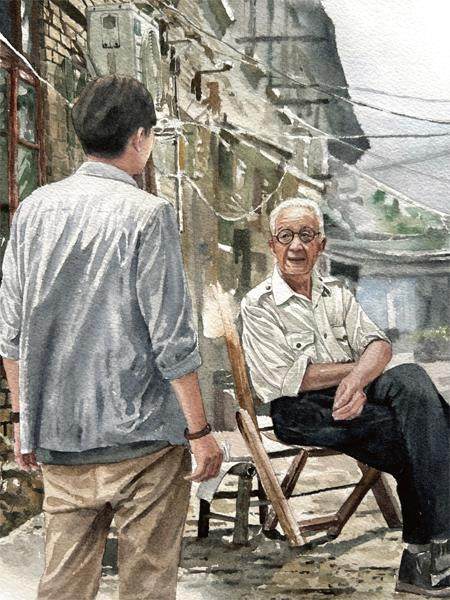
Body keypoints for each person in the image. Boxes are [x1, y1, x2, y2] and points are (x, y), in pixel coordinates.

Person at [0, 75, 223, 600]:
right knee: (146, 585)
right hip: (145, 440)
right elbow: (171, 338)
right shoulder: (149, 213)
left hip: (60, 437)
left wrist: (25, 420)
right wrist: (199, 432)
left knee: (63, 585)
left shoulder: (34, 210)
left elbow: (10, 331)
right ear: (140, 138)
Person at [241, 196, 450, 597]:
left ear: (320, 244)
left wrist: (355, 380)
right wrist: (355, 372)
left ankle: (428, 553)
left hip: (353, 393)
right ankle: (430, 553)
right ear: (272, 245)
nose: (296, 246)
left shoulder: (336, 293)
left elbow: (379, 345)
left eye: (306, 235)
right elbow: (288, 378)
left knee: (411, 379)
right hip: (299, 409)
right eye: (286, 236)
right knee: (423, 431)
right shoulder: (258, 305)